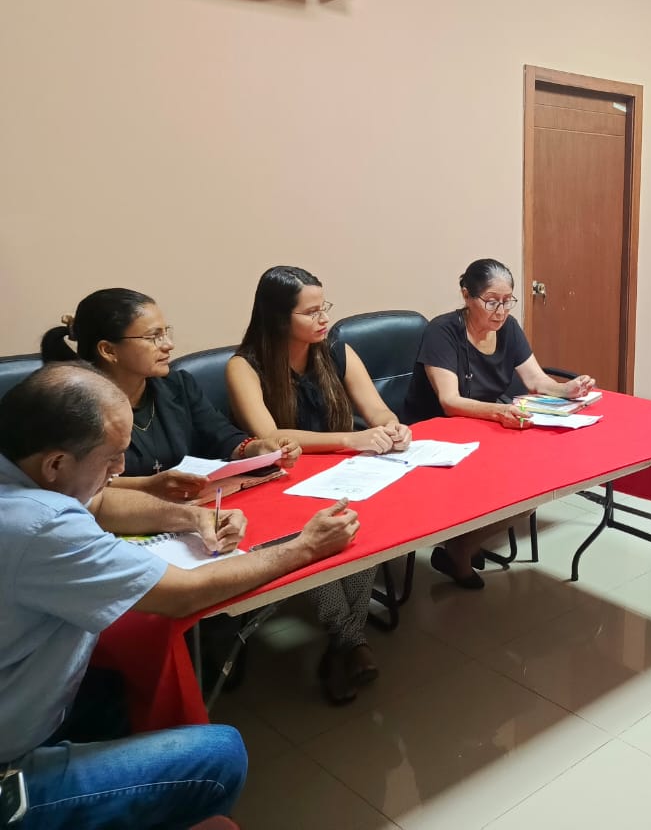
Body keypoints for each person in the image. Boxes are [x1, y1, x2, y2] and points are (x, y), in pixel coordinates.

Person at [0, 362, 357, 830]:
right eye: (111, 460)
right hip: (9, 765)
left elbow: (99, 502)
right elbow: (182, 594)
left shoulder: (25, 471)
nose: (120, 471)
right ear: (56, 464)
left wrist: (193, 517)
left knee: (121, 680)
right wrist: (305, 547)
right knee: (218, 755)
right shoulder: (40, 524)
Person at [226, 265, 412, 704]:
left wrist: (392, 426)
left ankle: (343, 644)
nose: (323, 318)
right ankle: (351, 642)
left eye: (323, 306)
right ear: (278, 317)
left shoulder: (336, 352)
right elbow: (271, 437)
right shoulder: (244, 366)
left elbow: (377, 410)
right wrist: (350, 439)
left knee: (361, 531)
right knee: (317, 541)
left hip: (342, 478)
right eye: (310, 312)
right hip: (279, 485)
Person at [403, 258, 595, 588]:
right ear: (467, 296)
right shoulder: (442, 332)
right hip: (437, 434)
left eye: (508, 301)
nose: (501, 311)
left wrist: (567, 389)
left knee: (536, 482)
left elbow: (535, 379)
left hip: (484, 427)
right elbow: (449, 402)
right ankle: (460, 549)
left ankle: (463, 544)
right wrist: (499, 413)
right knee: (513, 482)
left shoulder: (508, 328)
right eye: (492, 301)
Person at [39, 288, 301, 501]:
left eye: (166, 333)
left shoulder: (177, 386)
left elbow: (222, 437)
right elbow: (69, 485)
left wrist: (257, 448)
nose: (168, 345)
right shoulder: (72, 406)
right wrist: (148, 486)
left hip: (187, 509)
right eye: (154, 337)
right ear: (108, 350)